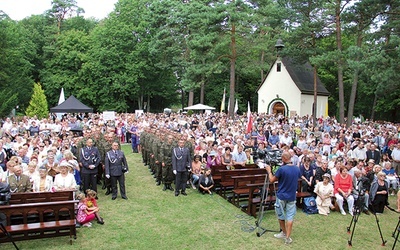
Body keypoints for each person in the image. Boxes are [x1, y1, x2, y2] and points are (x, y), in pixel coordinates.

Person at [266, 151, 301, 245]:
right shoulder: (297, 169)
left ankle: (284, 233)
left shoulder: (282, 169)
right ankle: (287, 237)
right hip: (292, 196)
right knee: (290, 216)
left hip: (281, 196)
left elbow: (271, 180)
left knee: (280, 215)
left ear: (285, 159)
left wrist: (269, 171)